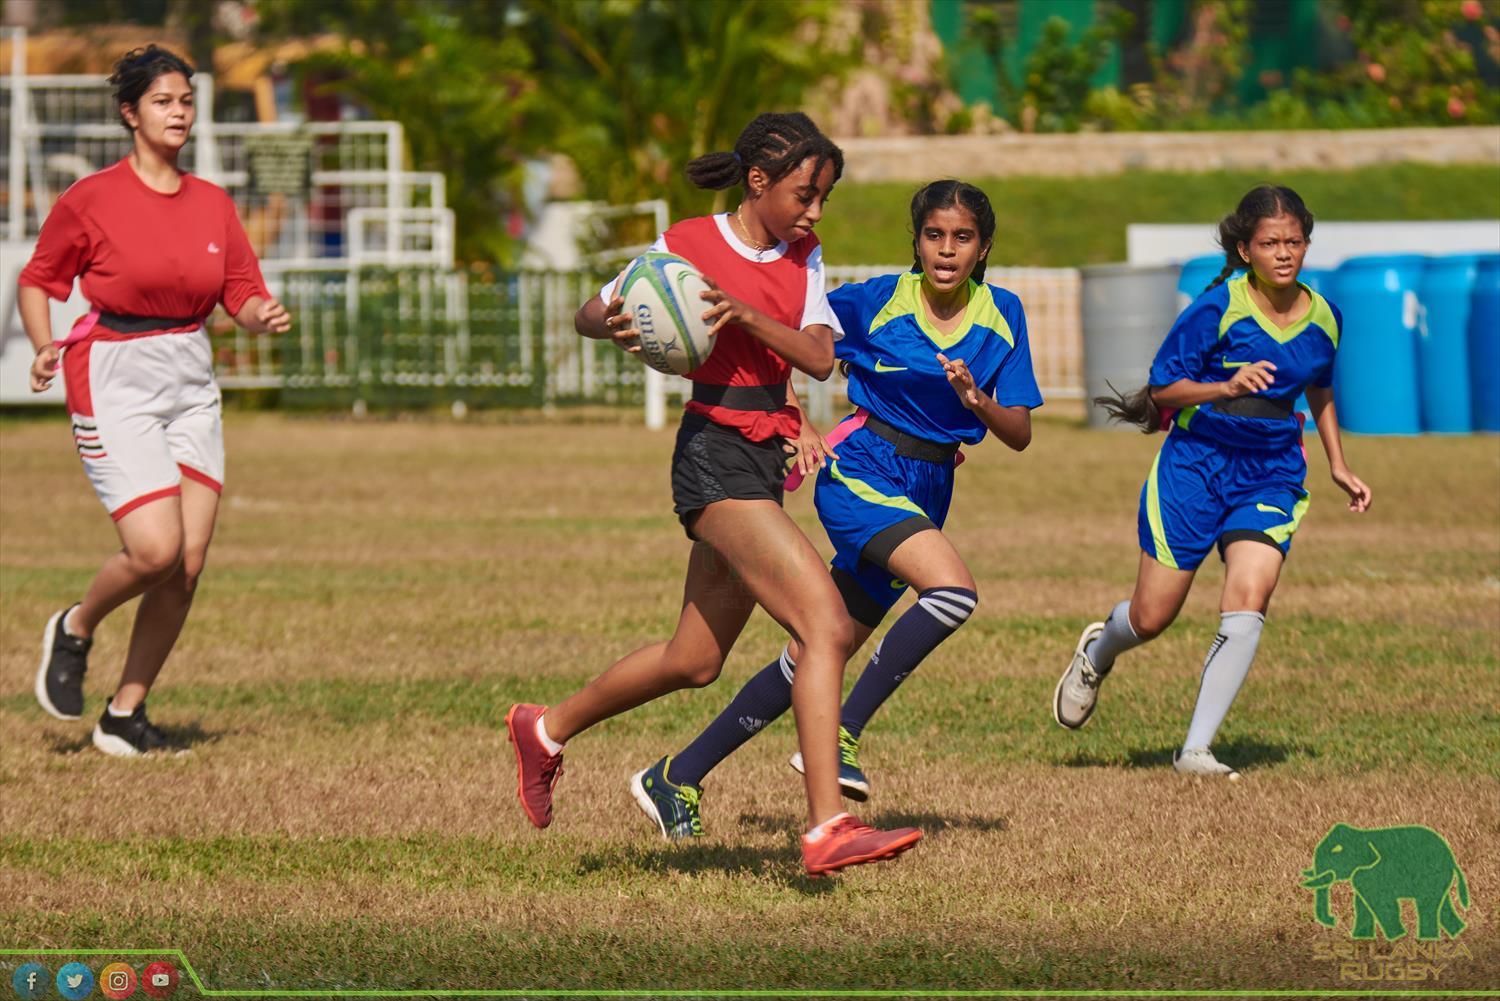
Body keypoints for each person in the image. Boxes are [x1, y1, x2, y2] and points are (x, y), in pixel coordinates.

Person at [504, 112, 922, 876]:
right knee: (825, 622)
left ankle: (545, 726)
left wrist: (745, 315)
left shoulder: (804, 256)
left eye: (823, 196)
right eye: (804, 193)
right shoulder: (688, 245)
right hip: (712, 456)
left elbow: (822, 357)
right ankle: (828, 823)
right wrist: (621, 322)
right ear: (758, 181)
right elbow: (591, 311)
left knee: (695, 658)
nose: (814, 211)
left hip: (763, 462)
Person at [628, 179, 1042, 838]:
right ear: (916, 240)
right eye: (934, 234)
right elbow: (786, 345)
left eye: (962, 237)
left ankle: (677, 774)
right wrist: (795, 420)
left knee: (817, 648)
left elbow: (1018, 430)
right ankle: (844, 731)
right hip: (861, 470)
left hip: (929, 488)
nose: (946, 249)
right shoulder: (875, 301)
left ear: (983, 246)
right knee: (953, 593)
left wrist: (978, 402)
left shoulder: (1003, 314)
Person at [20, 45, 291, 756]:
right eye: (165, 101)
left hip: (189, 375)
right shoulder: (92, 198)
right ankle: (77, 625)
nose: (179, 113)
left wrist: (259, 312)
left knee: (189, 561)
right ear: (130, 113)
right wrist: (43, 341)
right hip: (113, 373)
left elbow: (240, 291)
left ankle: (123, 715)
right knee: (154, 549)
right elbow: (40, 278)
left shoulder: (212, 202)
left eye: (187, 100)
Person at [1052, 184, 1371, 778]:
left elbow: (1320, 385)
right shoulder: (1215, 309)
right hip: (1195, 467)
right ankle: (1098, 652)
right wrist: (1224, 386)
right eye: (1271, 243)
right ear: (1246, 249)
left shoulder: (1325, 317)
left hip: (1271, 473)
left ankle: (1195, 750)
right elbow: (1165, 389)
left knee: (1251, 594)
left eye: (1295, 242)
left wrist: (1337, 462)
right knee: (1152, 617)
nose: (1285, 253)